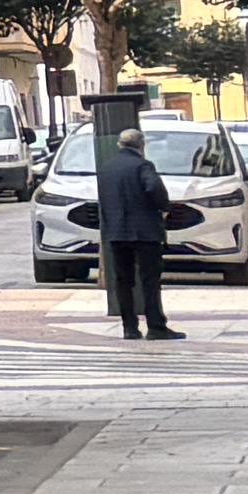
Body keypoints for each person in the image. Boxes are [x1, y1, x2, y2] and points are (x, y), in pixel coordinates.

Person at [98, 114, 172, 341]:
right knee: (150, 280)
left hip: (117, 233)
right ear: (141, 146)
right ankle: (155, 326)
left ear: (120, 145)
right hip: (145, 232)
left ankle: (129, 327)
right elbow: (153, 189)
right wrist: (163, 207)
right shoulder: (143, 165)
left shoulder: (107, 168)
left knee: (123, 280)